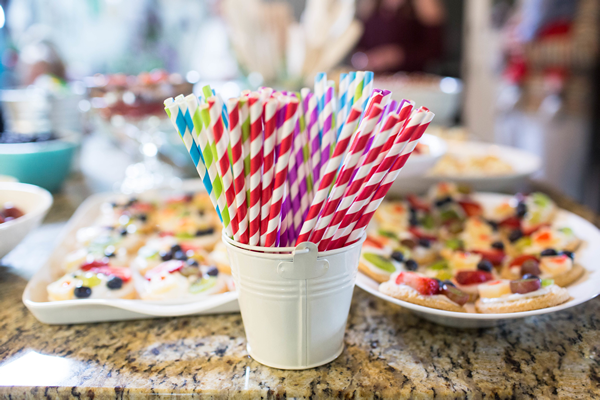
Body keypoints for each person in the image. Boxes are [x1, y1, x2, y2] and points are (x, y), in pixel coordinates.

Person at [351, 0, 445, 74]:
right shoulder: (368, 6)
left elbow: (436, 50)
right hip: (377, 85)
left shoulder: (425, 4)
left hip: (413, 86)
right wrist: (363, 59)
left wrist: (398, 56)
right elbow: (357, 49)